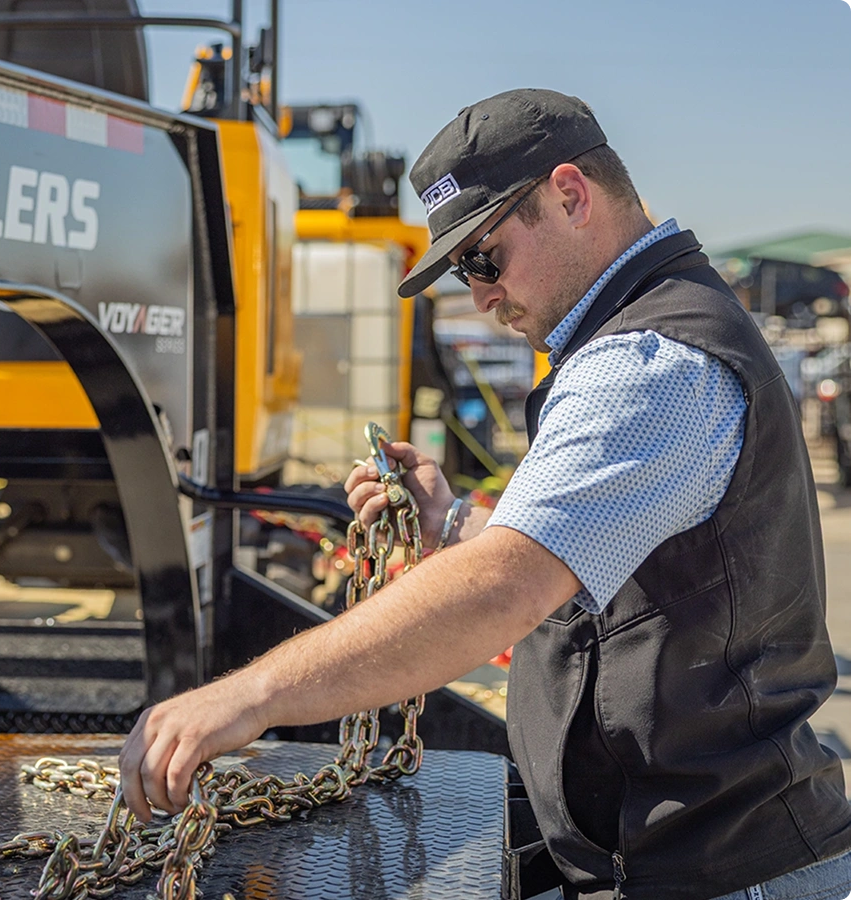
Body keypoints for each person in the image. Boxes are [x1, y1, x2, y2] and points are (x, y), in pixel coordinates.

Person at [118, 88, 851, 899]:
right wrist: (453, 521)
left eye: (482, 259)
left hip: (720, 871)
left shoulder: (649, 364)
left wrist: (249, 697)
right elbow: (608, 550)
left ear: (570, 195)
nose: (480, 296)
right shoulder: (648, 336)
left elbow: (505, 587)